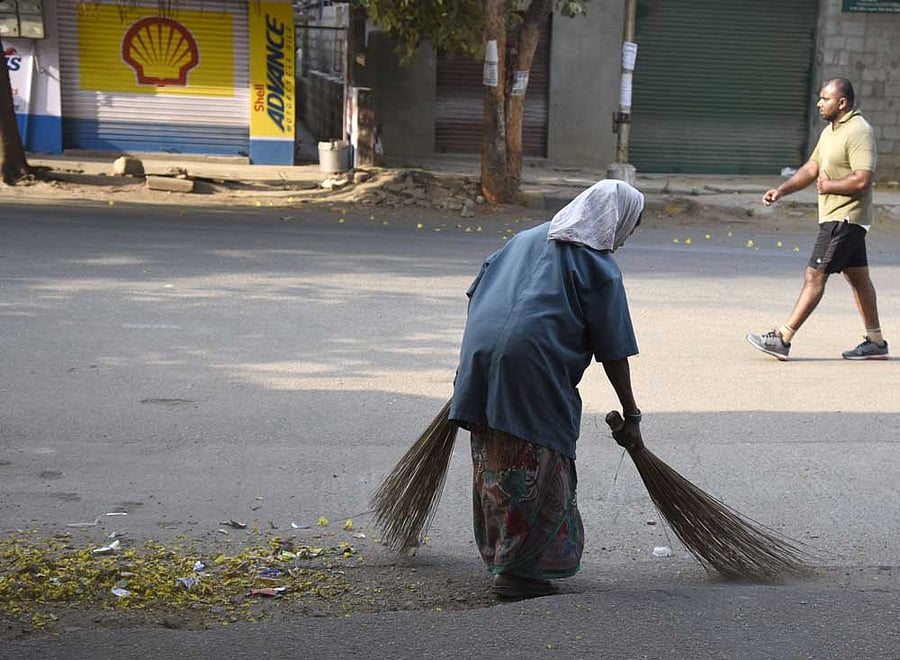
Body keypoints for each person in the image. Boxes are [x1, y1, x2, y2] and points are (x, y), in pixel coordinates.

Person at [448, 180, 645, 601]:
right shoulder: (598, 266)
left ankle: (501, 554)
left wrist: (481, 359)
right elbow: (614, 348)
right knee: (538, 459)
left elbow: (477, 293)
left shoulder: (523, 238)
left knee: (496, 454)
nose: (628, 236)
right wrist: (631, 412)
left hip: (480, 354)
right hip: (532, 366)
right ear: (615, 221)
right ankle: (521, 572)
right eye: (631, 226)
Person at [747, 77, 889, 361]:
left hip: (845, 217)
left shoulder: (859, 131)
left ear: (842, 103)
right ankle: (875, 341)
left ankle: (783, 338)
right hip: (838, 217)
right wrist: (782, 190)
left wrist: (829, 187)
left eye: (825, 98)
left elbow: (864, 179)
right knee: (858, 278)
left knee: (814, 275)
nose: (819, 103)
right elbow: (812, 168)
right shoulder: (830, 132)